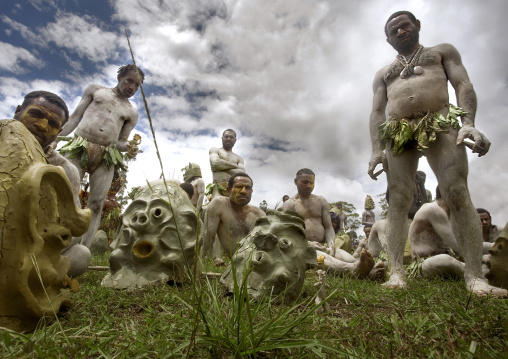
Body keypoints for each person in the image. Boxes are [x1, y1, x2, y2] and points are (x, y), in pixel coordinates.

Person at [367, 11, 506, 296]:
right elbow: (377, 112)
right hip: (398, 131)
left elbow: (462, 84)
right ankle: (396, 274)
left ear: (417, 25)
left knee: (455, 191)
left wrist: (468, 124)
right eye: (393, 30)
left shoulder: (441, 52)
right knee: (398, 199)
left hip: (439, 121)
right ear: (387, 39)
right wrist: (376, 150)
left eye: (404, 25)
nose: (400, 32)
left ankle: (475, 276)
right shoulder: (383, 74)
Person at [53, 64, 144, 248]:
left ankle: (82, 250)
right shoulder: (96, 91)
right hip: (80, 145)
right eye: (129, 81)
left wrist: (130, 147)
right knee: (67, 192)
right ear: (120, 77)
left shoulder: (131, 113)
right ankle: (57, 241)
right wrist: (55, 139)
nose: (132, 88)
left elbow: (121, 142)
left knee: (96, 203)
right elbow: (75, 117)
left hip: (106, 155)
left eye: (137, 85)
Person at [12, 90, 91, 276]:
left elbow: (74, 229)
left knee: (80, 255)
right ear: (18, 111)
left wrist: (40, 242)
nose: (41, 125)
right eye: (36, 114)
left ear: (60, 132)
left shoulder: (65, 170)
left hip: (35, 250)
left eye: (53, 124)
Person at [284, 169, 376, 278]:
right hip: (304, 249)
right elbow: (287, 233)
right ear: (295, 181)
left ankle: (371, 272)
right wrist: (307, 244)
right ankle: (351, 270)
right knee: (321, 259)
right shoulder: (290, 204)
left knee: (348, 258)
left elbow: (328, 228)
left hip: (324, 246)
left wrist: (331, 244)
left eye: (311, 183)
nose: (309, 186)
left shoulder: (321, 201)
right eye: (305, 182)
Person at [203, 173, 265, 264]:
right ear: (229, 190)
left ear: (251, 191)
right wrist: (193, 267)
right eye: (239, 187)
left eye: (248, 188)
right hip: (238, 266)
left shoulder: (259, 214)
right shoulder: (219, 205)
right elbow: (208, 239)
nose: (243, 191)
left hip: (261, 265)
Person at [209, 129, 245, 197]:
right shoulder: (215, 150)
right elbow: (216, 163)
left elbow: (242, 174)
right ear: (222, 138)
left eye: (231, 137)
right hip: (218, 189)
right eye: (226, 136)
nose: (228, 139)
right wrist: (236, 166)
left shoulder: (239, 158)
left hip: (233, 190)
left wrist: (220, 168)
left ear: (235, 140)